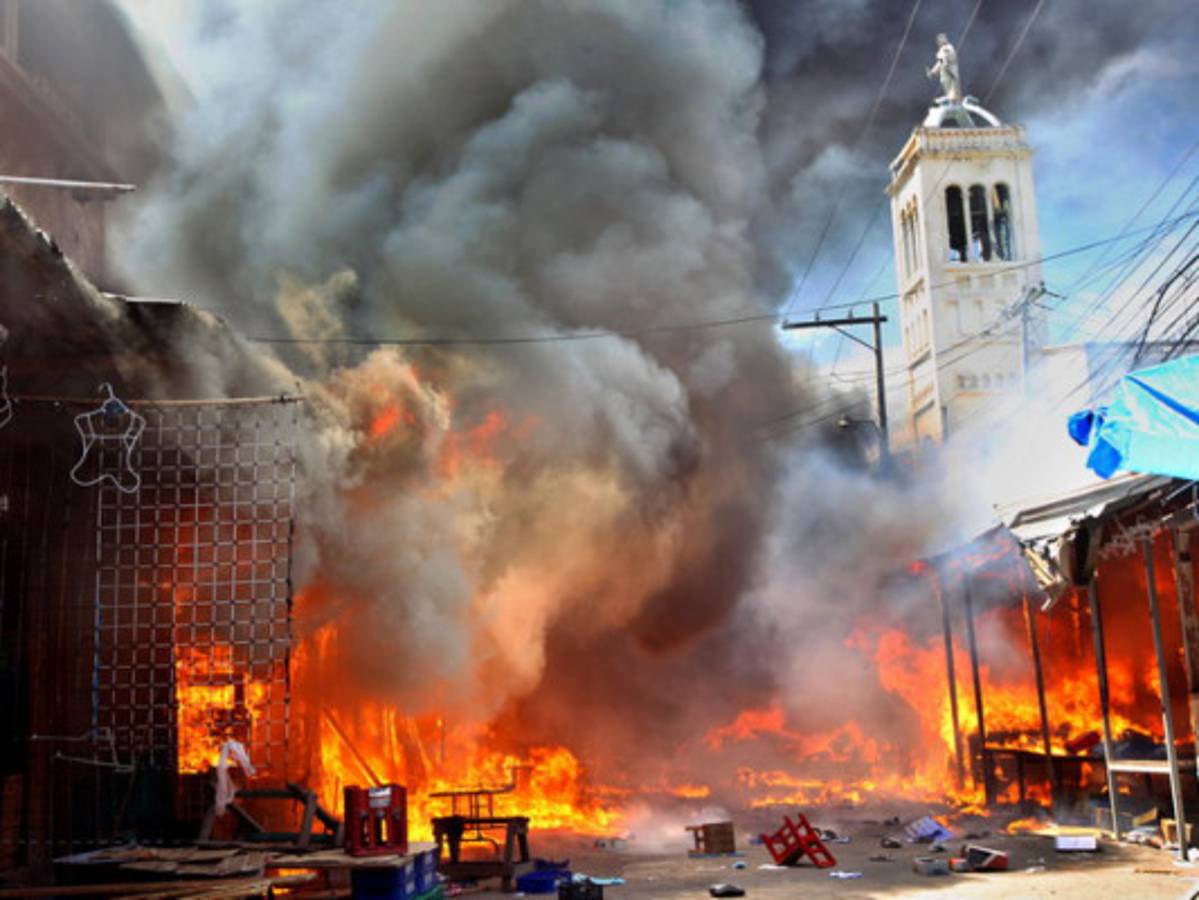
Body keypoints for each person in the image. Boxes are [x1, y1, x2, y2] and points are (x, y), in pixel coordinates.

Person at [926, 33, 962, 104]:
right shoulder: (951, 47)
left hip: (948, 72)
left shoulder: (944, 49)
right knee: (954, 92)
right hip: (952, 71)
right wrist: (933, 72)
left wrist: (933, 72)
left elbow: (943, 62)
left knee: (952, 92)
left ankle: (953, 103)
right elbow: (941, 62)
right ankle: (955, 102)